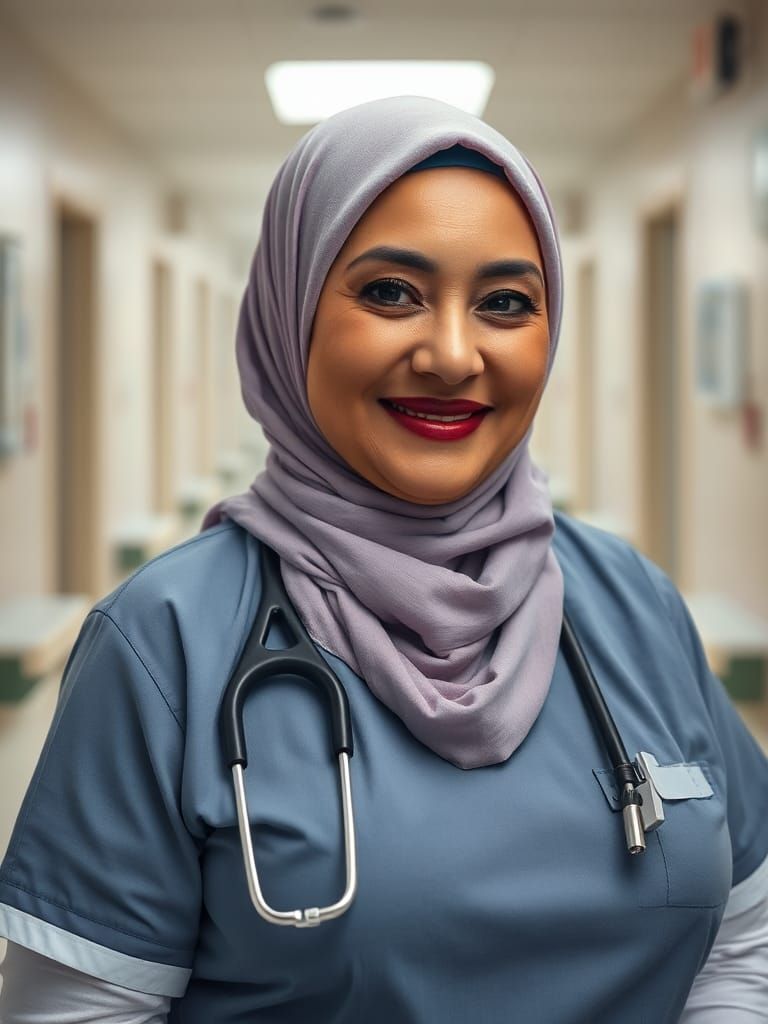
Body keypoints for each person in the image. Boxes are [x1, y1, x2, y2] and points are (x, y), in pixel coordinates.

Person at [0, 96, 767, 1023]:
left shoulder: (632, 602)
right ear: (290, 317)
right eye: (390, 292)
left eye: (506, 303)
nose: (452, 355)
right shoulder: (167, 642)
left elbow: (743, 943)